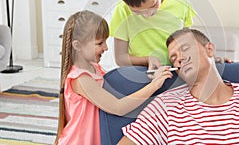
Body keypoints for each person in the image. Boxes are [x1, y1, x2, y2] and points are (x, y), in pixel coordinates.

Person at [118, 28, 239, 144]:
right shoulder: (165, 107)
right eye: (173, 58)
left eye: (185, 48)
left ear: (210, 49)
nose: (179, 58)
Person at [54, 10, 173, 145]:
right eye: (100, 43)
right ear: (77, 45)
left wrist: (148, 63)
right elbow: (117, 107)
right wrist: (154, 85)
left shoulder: (94, 68)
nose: (106, 48)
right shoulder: (81, 79)